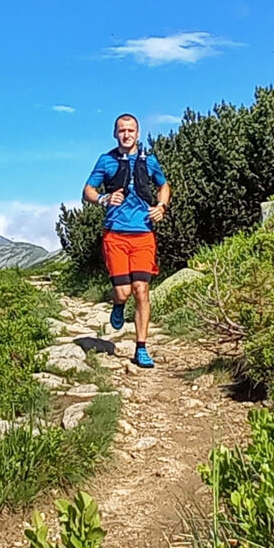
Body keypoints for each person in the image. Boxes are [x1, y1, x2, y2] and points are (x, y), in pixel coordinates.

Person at [82, 113, 171, 368]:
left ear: (138, 133)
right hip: (115, 235)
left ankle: (141, 347)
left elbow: (163, 186)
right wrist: (103, 199)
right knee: (123, 292)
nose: (126, 134)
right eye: (122, 130)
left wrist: (161, 206)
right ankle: (118, 305)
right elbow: (87, 190)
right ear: (115, 133)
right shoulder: (106, 161)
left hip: (143, 234)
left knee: (141, 290)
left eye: (131, 130)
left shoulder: (149, 161)